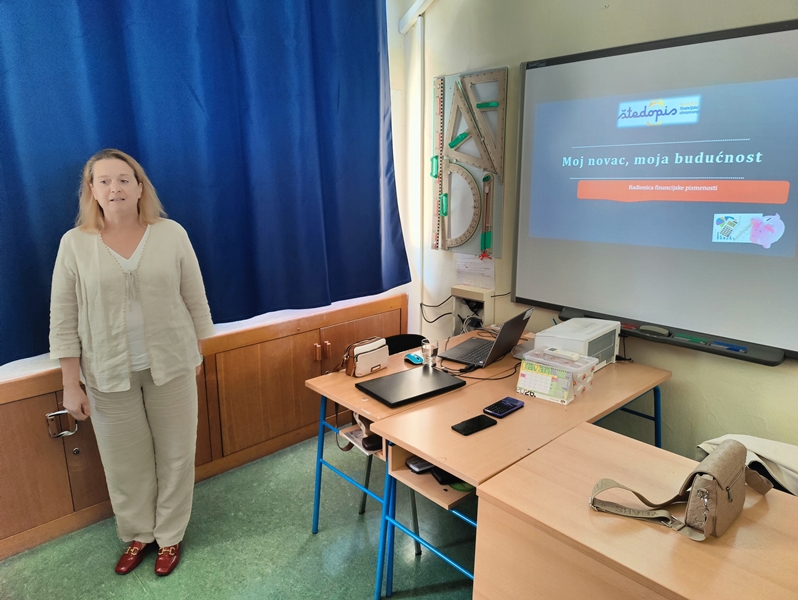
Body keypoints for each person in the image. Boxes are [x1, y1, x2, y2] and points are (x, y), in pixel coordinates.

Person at [49, 149, 214, 577]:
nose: (115, 188)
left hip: (172, 365)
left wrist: (197, 351)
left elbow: (194, 297)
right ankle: (140, 533)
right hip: (106, 373)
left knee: (177, 455)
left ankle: (170, 535)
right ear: (91, 191)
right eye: (104, 181)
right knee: (125, 464)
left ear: (140, 187)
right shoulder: (74, 244)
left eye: (124, 179)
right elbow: (63, 316)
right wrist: (70, 383)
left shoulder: (171, 234)